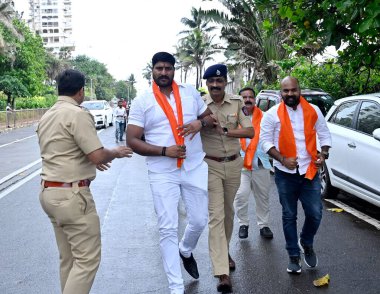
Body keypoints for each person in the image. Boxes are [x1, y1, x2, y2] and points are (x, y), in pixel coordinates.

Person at [37, 69, 133, 294]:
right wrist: (115, 152)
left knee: (68, 259)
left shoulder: (47, 115)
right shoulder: (77, 114)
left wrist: (91, 160)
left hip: (49, 193)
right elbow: (98, 155)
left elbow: (65, 150)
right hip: (72, 197)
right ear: (81, 92)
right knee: (87, 260)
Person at [127, 52, 211, 294]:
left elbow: (209, 118)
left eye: (168, 68)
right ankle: (176, 288)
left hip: (193, 167)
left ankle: (185, 250)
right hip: (162, 172)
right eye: (159, 68)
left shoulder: (189, 93)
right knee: (167, 227)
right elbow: (132, 140)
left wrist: (199, 123)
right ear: (152, 71)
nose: (163, 73)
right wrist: (165, 151)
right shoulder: (142, 100)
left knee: (199, 220)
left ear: (174, 70)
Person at [260, 76, 332, 274]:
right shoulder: (271, 114)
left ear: (299, 90)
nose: (290, 94)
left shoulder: (314, 111)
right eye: (286, 91)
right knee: (289, 215)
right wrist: (282, 159)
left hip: (309, 171)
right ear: (280, 92)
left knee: (315, 213)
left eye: (293, 90)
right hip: (285, 174)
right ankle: (293, 255)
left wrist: (323, 154)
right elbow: (265, 142)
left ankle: (306, 242)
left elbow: (325, 136)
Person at [200, 64, 254, 293]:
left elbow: (249, 131)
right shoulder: (199, 105)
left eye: (219, 82)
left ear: (225, 83)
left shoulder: (237, 102)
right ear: (207, 83)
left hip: (233, 164)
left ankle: (224, 251)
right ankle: (222, 272)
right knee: (216, 216)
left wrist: (226, 132)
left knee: (228, 213)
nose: (215, 85)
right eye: (211, 81)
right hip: (210, 165)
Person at [233, 87, 274, 240]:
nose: (248, 99)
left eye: (251, 97)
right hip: (240, 165)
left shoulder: (265, 117)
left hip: (260, 164)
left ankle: (264, 226)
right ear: (239, 100)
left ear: (255, 100)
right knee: (241, 196)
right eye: (244, 97)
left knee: (262, 197)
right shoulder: (233, 118)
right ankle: (243, 224)